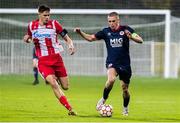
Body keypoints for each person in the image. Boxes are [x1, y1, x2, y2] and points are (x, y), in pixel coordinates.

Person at [74, 12, 143, 116]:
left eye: (113, 21)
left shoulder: (126, 29)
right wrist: (80, 33)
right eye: (109, 21)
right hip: (112, 62)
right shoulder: (105, 32)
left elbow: (140, 40)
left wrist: (132, 37)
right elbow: (91, 38)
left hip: (125, 64)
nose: (111, 23)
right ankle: (103, 99)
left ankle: (125, 108)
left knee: (125, 89)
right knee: (111, 80)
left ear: (118, 20)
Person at [23, 4, 76, 115]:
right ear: (39, 14)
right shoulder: (32, 25)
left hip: (57, 59)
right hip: (42, 61)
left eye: (49, 15)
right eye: (45, 15)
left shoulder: (54, 24)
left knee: (65, 87)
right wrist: (27, 40)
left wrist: (71, 44)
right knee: (53, 83)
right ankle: (69, 108)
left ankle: (55, 78)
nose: (47, 17)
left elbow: (66, 37)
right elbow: (27, 37)